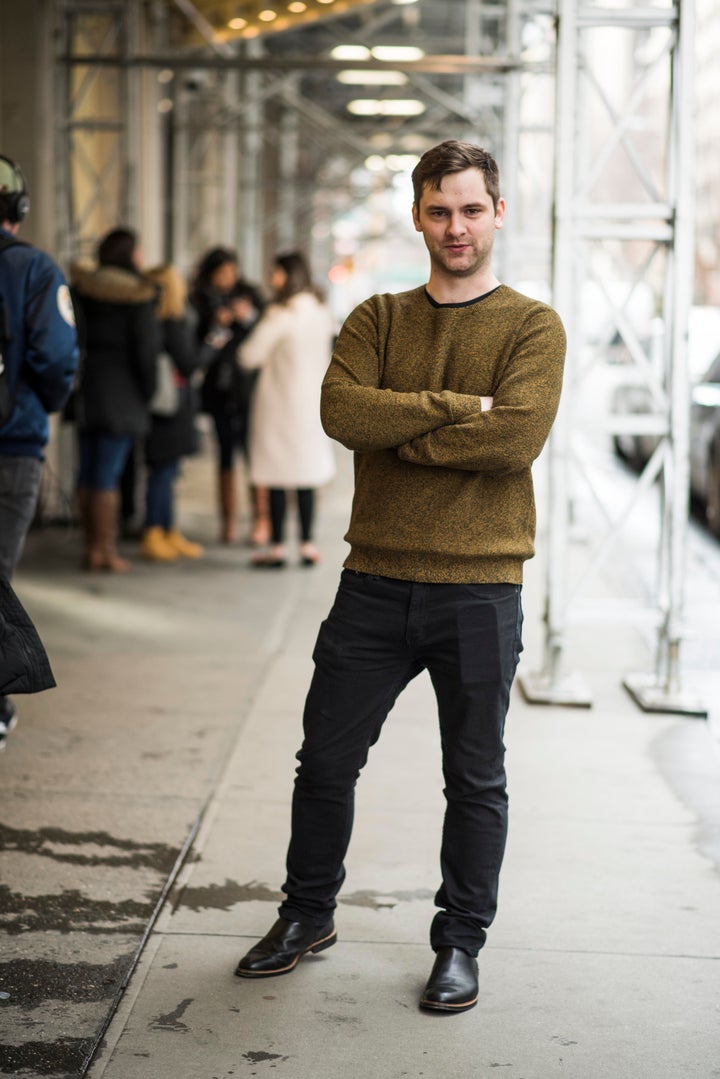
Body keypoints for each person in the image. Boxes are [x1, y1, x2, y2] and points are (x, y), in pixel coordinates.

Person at [234, 141, 566, 1013]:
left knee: (476, 778)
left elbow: (516, 440)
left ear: (497, 213)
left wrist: (403, 426)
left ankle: (459, 943)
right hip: (374, 579)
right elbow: (343, 411)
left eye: (470, 208)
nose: (455, 226)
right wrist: (460, 407)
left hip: (482, 586)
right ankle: (308, 914)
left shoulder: (532, 327)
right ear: (417, 216)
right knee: (325, 762)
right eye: (439, 210)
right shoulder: (376, 318)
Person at [0, 153, 78, 748]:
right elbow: (55, 358)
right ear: (18, 211)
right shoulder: (32, 268)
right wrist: (39, 406)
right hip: (11, 445)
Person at [237, 251, 336, 568]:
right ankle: (307, 544)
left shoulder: (281, 315)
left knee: (277, 475)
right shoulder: (320, 312)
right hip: (312, 405)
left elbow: (248, 356)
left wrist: (244, 325)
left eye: (276, 272)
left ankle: (277, 547)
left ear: (286, 275)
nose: (271, 278)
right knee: (306, 475)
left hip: (279, 404)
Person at [71, 228, 160, 572]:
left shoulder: (83, 289)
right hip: (123, 394)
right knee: (108, 474)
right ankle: (104, 550)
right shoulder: (138, 296)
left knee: (88, 470)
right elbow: (146, 351)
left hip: (88, 389)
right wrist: (148, 392)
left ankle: (89, 546)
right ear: (128, 254)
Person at [190, 247, 269, 546]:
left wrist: (247, 316)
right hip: (218, 390)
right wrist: (217, 325)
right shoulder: (200, 300)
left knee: (254, 456)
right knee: (224, 456)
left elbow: (264, 328)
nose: (227, 279)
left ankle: (261, 520)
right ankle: (229, 522)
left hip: (248, 389)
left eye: (231, 272)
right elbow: (197, 344)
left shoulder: (250, 295)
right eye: (221, 273)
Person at [140, 264, 205, 562]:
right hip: (170, 407)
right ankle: (156, 530)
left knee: (164, 471)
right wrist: (213, 342)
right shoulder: (173, 323)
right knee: (163, 472)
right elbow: (189, 363)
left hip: (155, 404)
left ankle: (167, 529)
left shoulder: (146, 320)